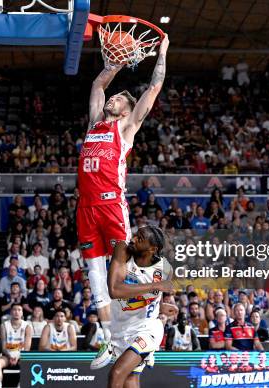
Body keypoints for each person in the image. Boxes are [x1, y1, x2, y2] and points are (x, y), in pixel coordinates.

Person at [77, 34, 169, 369]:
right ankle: (111, 340)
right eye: (112, 97)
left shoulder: (126, 127)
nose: (111, 99)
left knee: (128, 273)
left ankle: (147, 330)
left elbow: (153, 89)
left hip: (111, 204)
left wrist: (163, 52)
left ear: (126, 109)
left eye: (117, 98)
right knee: (95, 278)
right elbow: (97, 83)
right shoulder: (94, 122)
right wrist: (115, 59)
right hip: (85, 207)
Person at [106, 225, 177, 388]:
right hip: (121, 329)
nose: (133, 239)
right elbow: (114, 290)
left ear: (153, 248)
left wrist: (160, 307)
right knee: (130, 379)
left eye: (140, 238)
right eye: (136, 235)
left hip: (148, 328)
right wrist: (155, 286)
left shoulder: (165, 269)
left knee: (116, 373)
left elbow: (153, 298)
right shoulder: (123, 249)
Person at [0, 304, 32, 388]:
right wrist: (11, 356)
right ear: (11, 312)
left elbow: (27, 348)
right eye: (14, 310)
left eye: (19, 310)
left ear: (22, 313)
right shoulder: (3, 326)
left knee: (27, 363)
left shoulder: (27, 326)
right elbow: (3, 347)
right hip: (8, 355)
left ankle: (21, 385)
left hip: (22, 355)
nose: (17, 312)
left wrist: (17, 357)